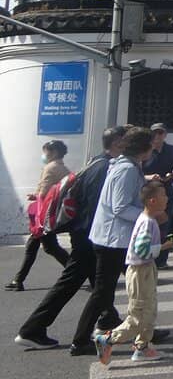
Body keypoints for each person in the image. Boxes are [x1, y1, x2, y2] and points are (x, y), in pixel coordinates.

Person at [16, 127, 126, 351]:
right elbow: (95, 208)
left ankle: (108, 318)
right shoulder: (104, 168)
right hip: (88, 236)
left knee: (97, 284)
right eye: (127, 141)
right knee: (72, 283)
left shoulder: (96, 162)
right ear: (117, 143)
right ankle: (32, 329)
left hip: (84, 234)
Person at [71, 126, 157, 357]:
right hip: (112, 239)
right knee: (105, 291)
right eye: (151, 145)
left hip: (116, 238)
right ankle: (80, 341)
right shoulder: (126, 169)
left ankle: (143, 329)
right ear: (144, 148)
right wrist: (147, 214)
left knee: (139, 286)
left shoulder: (129, 166)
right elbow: (120, 207)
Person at [93, 181, 173, 364]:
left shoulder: (148, 219)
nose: (167, 198)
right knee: (139, 316)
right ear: (153, 200)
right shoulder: (147, 223)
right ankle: (108, 339)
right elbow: (142, 250)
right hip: (140, 271)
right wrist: (165, 246)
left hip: (145, 269)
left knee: (149, 310)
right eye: (164, 195)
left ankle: (142, 347)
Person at [6, 140, 70, 292]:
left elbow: (44, 192)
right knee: (50, 247)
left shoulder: (50, 168)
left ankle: (19, 280)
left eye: (46, 152)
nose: (44, 155)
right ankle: (76, 270)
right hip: (51, 213)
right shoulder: (63, 168)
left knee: (35, 247)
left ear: (53, 152)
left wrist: (36, 196)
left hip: (43, 215)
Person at [141, 123, 173, 270]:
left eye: (160, 133)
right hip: (148, 193)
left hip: (165, 193)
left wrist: (171, 175)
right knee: (148, 225)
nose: (157, 136)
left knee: (165, 225)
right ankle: (145, 255)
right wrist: (149, 177)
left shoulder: (171, 150)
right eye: (155, 133)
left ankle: (162, 260)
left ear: (165, 134)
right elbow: (137, 172)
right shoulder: (145, 150)